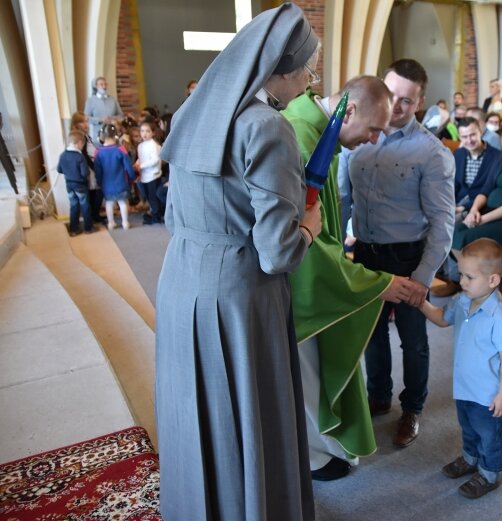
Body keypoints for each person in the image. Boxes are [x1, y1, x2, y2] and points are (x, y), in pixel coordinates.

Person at [155, 4, 323, 519]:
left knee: (195, 410)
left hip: (181, 279)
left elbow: (170, 215)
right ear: (286, 69)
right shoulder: (268, 127)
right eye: (309, 68)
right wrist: (311, 228)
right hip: (238, 296)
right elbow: (277, 252)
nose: (312, 78)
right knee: (246, 411)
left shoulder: (195, 112)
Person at [283, 75, 418, 481]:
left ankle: (326, 445)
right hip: (301, 281)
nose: (376, 139)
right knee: (306, 369)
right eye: (374, 129)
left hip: (325, 263)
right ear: (351, 109)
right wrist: (378, 282)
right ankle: (316, 452)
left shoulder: (318, 128)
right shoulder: (301, 138)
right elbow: (304, 241)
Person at [346, 58, 455, 448]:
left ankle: (412, 408)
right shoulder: (356, 140)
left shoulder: (431, 152)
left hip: (408, 257)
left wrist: (424, 276)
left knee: (414, 340)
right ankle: (378, 398)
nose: (395, 106)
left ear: (420, 101)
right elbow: (343, 200)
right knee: (371, 334)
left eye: (407, 101)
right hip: (366, 254)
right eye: (390, 94)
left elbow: (443, 223)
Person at [418, 238, 502, 499]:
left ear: (493, 280)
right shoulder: (462, 301)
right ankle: (470, 459)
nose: (461, 281)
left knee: (489, 436)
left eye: (469, 277)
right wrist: (421, 303)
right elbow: (441, 319)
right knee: (468, 428)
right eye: (461, 274)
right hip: (464, 387)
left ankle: (488, 474)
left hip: (488, 395)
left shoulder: (499, 318)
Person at [449, 120, 502, 289]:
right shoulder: (501, 159)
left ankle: (481, 284)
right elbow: (486, 188)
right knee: (453, 231)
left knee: (465, 237)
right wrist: (475, 210)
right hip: (486, 211)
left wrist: (482, 219)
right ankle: (475, 279)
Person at [453, 117, 502, 214]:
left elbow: (491, 189)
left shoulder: (497, 157)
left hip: (480, 208)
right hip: (456, 203)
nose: (469, 140)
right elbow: (453, 183)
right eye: (464, 137)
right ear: (459, 137)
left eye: (472, 135)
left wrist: (463, 208)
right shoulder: (459, 154)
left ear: (481, 132)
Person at [94, 123, 135, 231]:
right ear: (116, 135)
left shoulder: (98, 152)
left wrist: (99, 181)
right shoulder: (121, 149)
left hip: (106, 184)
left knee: (109, 203)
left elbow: (97, 170)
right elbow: (129, 166)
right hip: (121, 182)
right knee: (122, 202)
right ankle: (125, 222)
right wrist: (132, 177)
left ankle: (111, 223)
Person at [57, 131, 92, 236]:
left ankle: (74, 229)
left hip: (69, 185)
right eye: (83, 145)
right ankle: (88, 227)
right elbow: (85, 172)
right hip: (80, 184)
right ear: (79, 143)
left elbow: (59, 169)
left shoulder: (63, 155)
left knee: (73, 206)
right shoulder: (79, 157)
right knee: (85, 205)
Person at [135, 121, 164, 224]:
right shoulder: (140, 146)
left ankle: (156, 216)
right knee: (147, 196)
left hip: (153, 176)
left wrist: (141, 166)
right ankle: (154, 212)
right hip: (144, 176)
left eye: (147, 131)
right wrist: (137, 164)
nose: (144, 133)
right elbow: (141, 158)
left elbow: (155, 160)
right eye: (142, 131)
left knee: (153, 197)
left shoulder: (154, 145)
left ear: (153, 133)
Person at [84, 76, 123, 142]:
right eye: (101, 84)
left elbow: (121, 115)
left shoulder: (113, 100)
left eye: (105, 84)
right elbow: (86, 117)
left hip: (113, 133)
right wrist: (100, 120)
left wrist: (112, 119)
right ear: (96, 86)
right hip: (98, 134)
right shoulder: (91, 100)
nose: (104, 86)